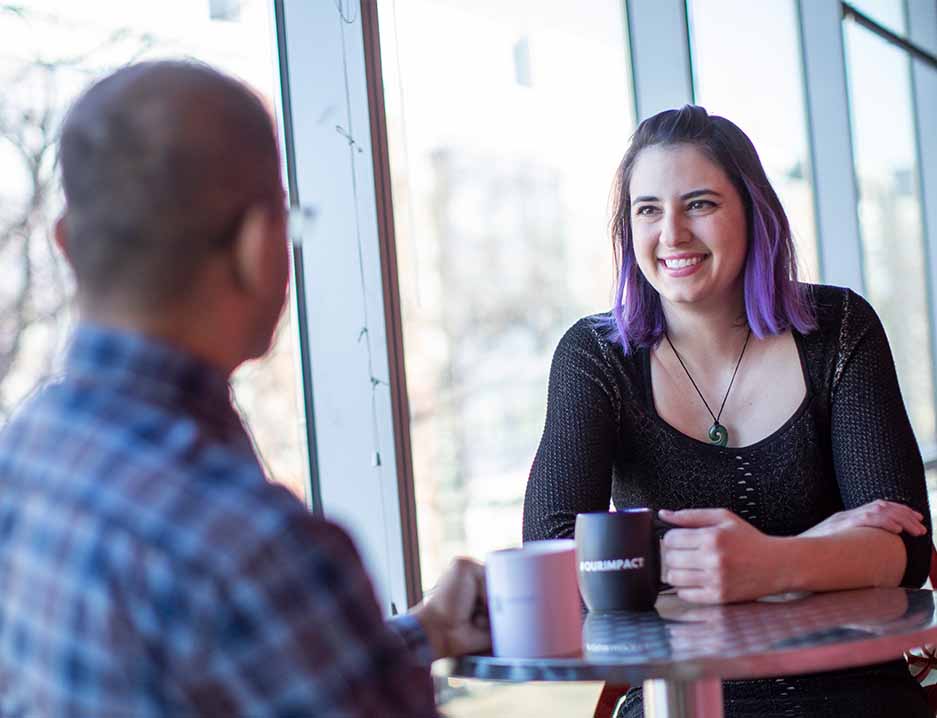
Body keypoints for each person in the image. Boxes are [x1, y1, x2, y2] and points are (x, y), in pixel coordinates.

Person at [0, 60, 489, 717]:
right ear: (261, 246)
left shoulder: (29, 450)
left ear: (66, 245)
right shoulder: (257, 550)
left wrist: (423, 633)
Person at [523, 105, 933, 717]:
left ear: (753, 212)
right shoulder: (596, 358)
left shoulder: (840, 328)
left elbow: (903, 552)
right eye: (648, 210)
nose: (673, 235)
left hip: (856, 695)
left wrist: (767, 564)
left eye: (700, 204)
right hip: (676, 703)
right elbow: (555, 555)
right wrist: (822, 545)